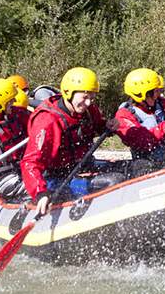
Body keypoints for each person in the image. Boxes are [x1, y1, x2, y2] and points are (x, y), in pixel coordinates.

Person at [20, 67, 118, 216]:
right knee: (114, 180)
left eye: (92, 98)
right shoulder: (47, 121)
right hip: (56, 178)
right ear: (68, 93)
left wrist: (108, 125)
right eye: (84, 97)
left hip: (83, 165)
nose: (88, 103)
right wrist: (40, 192)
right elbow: (30, 163)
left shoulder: (88, 110)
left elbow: (99, 126)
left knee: (130, 167)